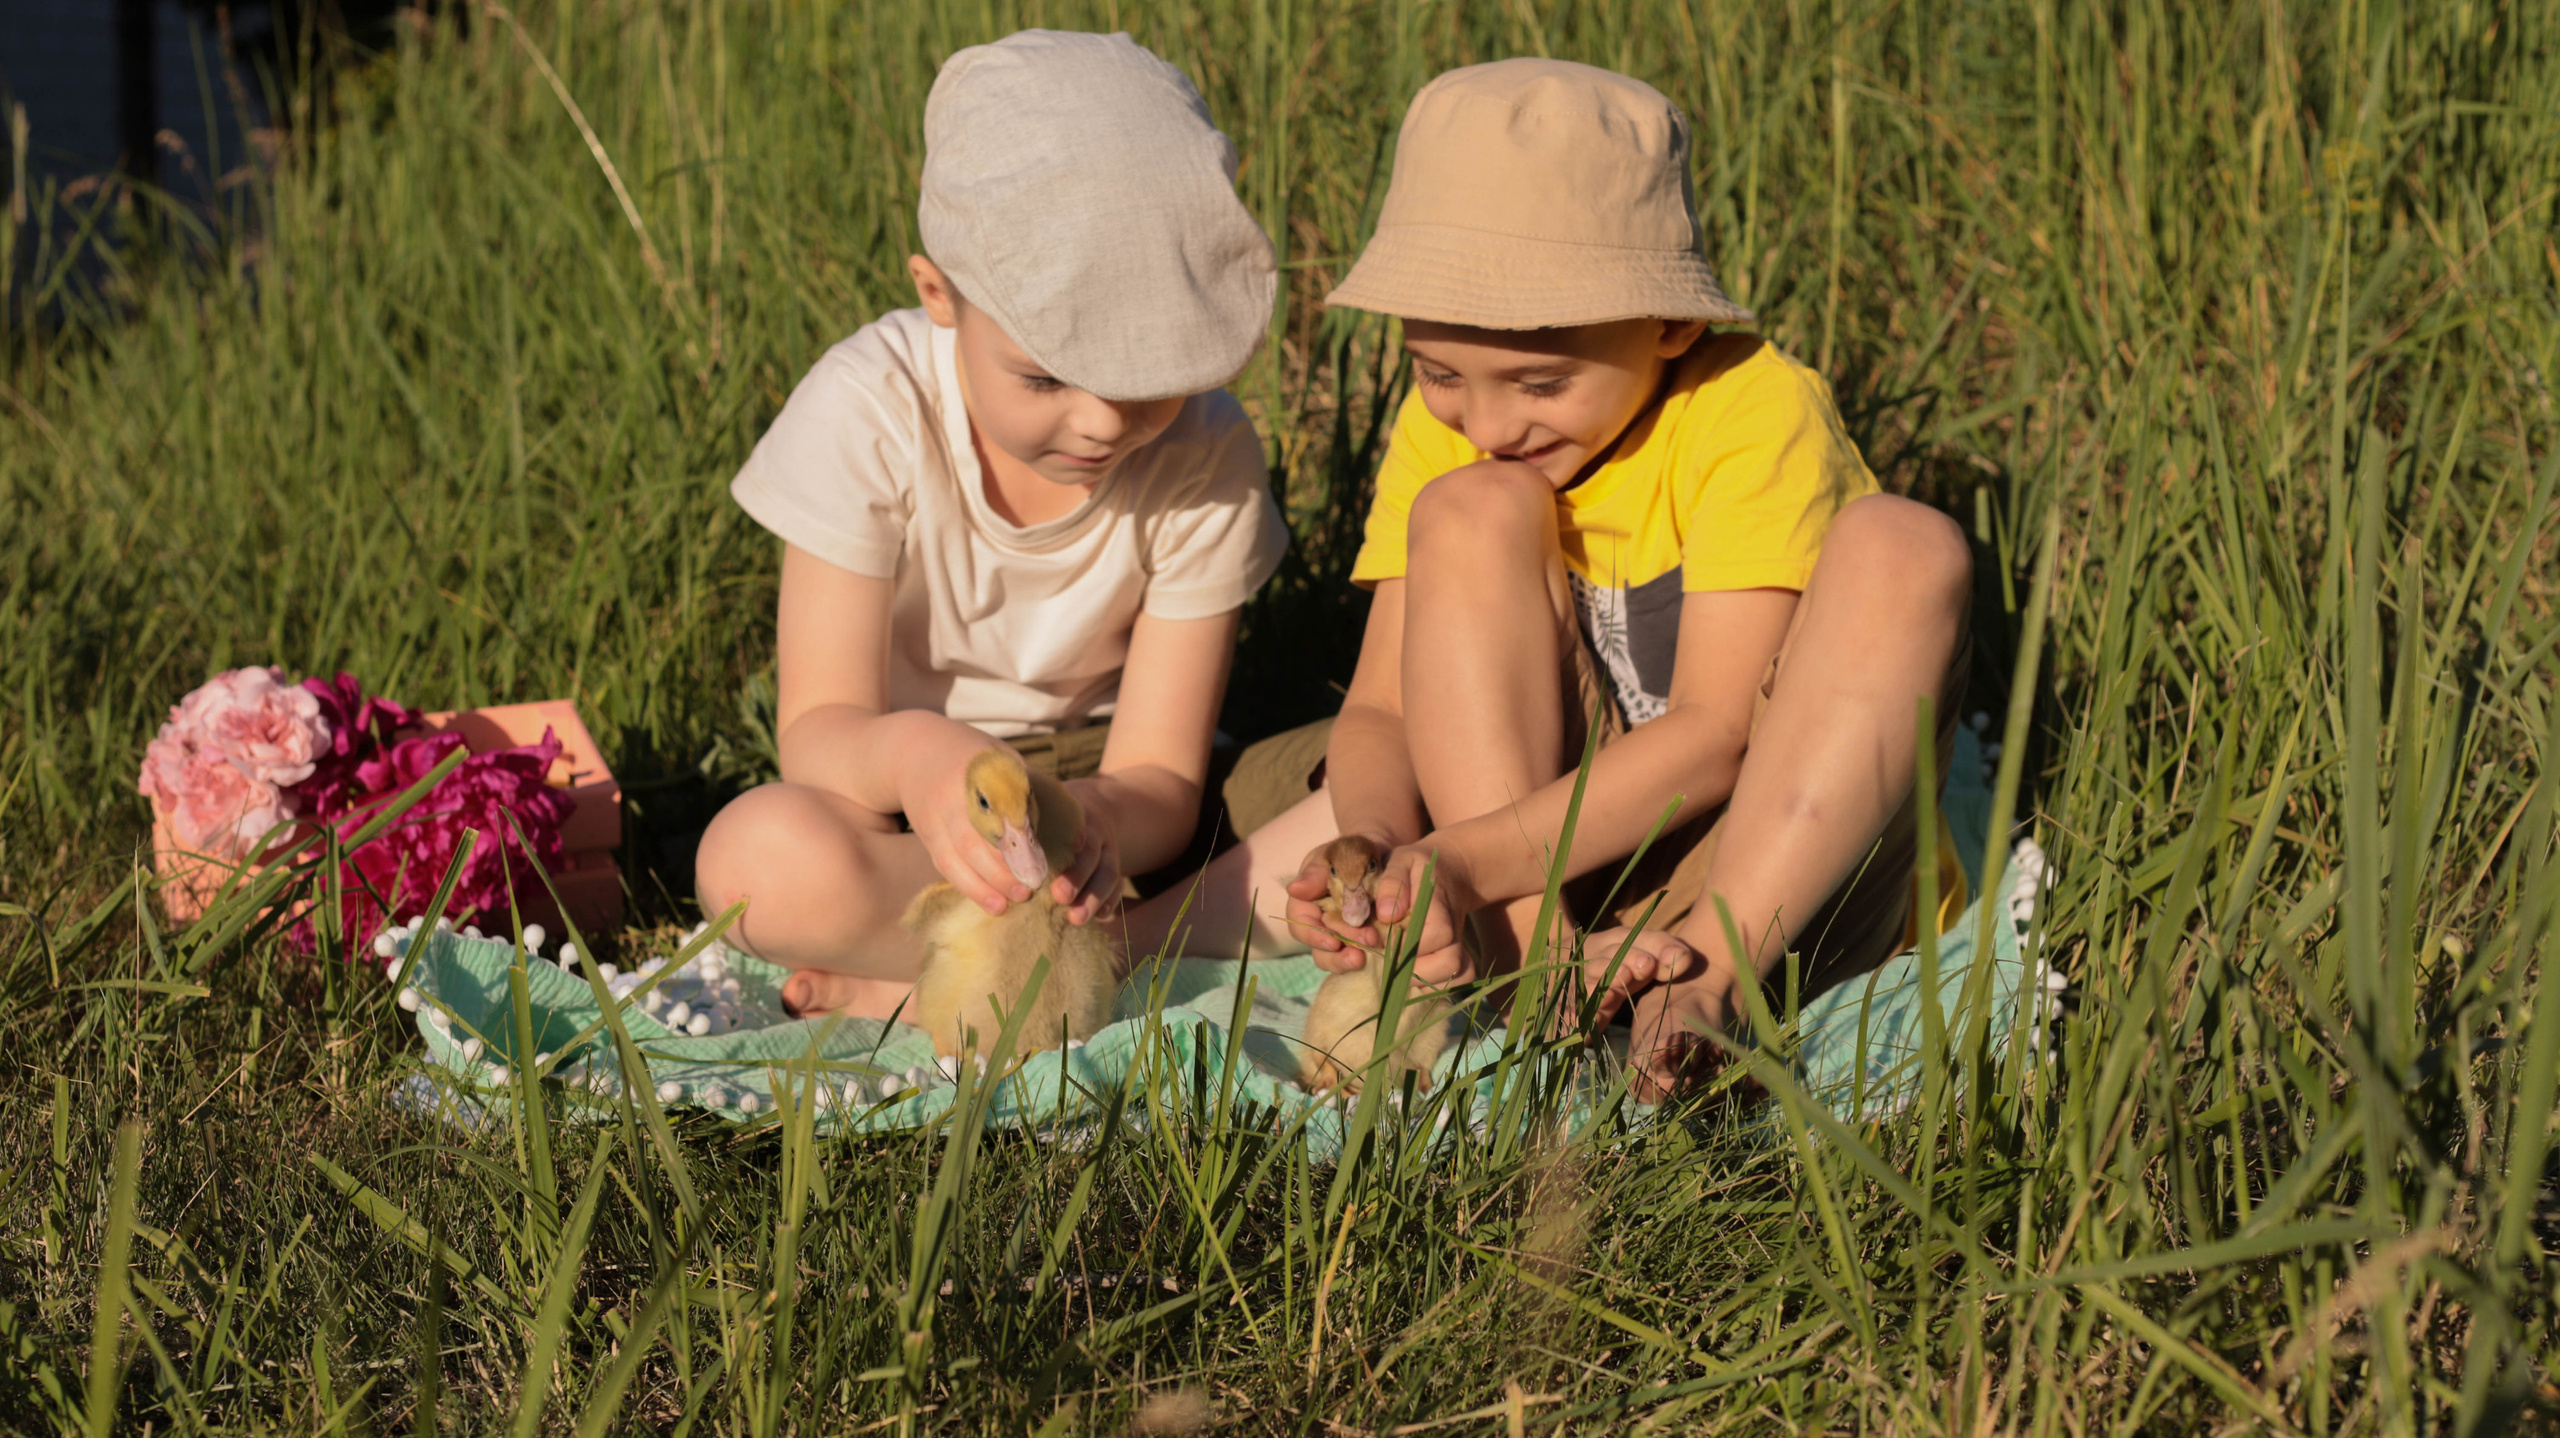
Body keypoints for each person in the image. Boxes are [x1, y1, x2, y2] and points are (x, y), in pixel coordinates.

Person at [1263, 58, 1976, 1099]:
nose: (1491, 424)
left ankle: (1706, 995)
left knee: (1906, 544)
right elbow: (1377, 708)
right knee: (1466, 509)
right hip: (1555, 886)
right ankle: (1539, 962)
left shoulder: (1748, 409)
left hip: (1778, 875)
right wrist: (1376, 848)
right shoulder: (1448, 435)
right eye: (1440, 372)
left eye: (1542, 382)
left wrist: (1461, 857)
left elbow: (1720, 733)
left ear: (1670, 326)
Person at [693, 29, 1291, 1020]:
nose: (1103, 421)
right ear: (938, 296)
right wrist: (924, 762)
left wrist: (1085, 829)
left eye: (1149, 378)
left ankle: (1003, 971)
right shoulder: (870, 409)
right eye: (1045, 375)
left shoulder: (1206, 456)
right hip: (901, 791)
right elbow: (817, 731)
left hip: (1107, 810)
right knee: (754, 858)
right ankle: (1068, 967)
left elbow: (1162, 776)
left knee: (1362, 809)